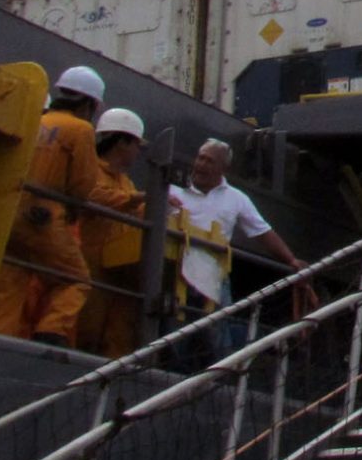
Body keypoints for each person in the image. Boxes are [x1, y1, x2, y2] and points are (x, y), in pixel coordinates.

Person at [0, 65, 109, 346]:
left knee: (9, 280)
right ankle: (52, 331)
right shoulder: (80, 130)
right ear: (89, 103)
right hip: (44, 217)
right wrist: (75, 208)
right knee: (74, 279)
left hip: (9, 212)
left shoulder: (34, 121)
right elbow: (82, 184)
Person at [168, 138, 303, 358]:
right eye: (200, 158)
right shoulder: (173, 188)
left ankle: (222, 381)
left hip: (214, 275)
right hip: (175, 271)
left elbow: (262, 232)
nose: (201, 164)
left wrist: (291, 260)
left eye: (209, 161)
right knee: (173, 333)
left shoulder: (236, 199)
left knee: (218, 337)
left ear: (223, 168)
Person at [77, 107, 148, 359]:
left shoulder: (125, 182)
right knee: (85, 327)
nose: (138, 151)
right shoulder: (89, 169)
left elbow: (135, 210)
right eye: (136, 144)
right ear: (122, 142)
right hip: (88, 264)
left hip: (118, 269)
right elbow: (92, 195)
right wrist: (135, 200)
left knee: (118, 333)